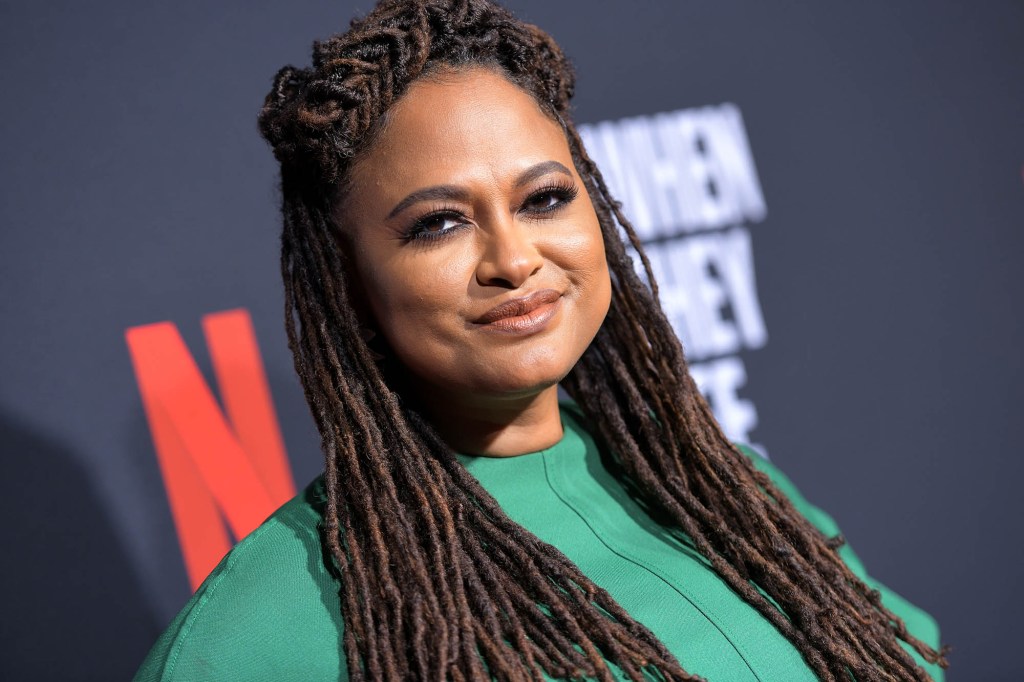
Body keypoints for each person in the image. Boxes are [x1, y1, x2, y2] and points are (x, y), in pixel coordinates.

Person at [134, 0, 949, 680]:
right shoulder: (265, 626)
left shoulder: (728, 492)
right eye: (439, 223)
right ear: (347, 283)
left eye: (545, 199)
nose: (515, 259)